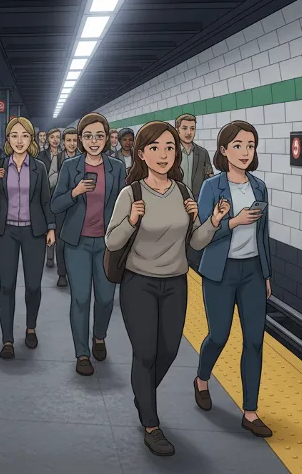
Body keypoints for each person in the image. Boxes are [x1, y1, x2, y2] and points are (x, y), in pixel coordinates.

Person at [104, 121, 229, 456]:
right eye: (155, 148)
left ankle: (141, 392)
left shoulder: (185, 193)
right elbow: (112, 240)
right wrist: (131, 220)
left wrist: (212, 221)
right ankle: (151, 423)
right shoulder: (132, 194)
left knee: (169, 350)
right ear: (142, 153)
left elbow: (197, 242)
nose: (163, 154)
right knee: (145, 353)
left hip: (175, 282)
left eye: (170, 147)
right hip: (138, 282)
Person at [193, 120, 273, 438]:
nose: (244, 152)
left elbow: (264, 235)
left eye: (250, 145)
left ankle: (250, 412)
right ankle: (201, 378)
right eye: (237, 145)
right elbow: (202, 235)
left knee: (254, 340)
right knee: (219, 336)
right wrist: (233, 222)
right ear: (223, 150)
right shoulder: (212, 187)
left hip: (252, 271)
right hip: (220, 272)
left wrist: (266, 274)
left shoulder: (259, 186)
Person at [51, 112, 126, 376]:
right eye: (88, 136)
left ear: (107, 139)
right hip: (78, 243)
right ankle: (82, 352)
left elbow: (122, 204)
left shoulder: (116, 168)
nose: (94, 141)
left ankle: (99, 336)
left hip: (107, 243)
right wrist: (74, 192)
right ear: (80, 139)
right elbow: (56, 204)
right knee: (81, 298)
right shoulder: (70, 167)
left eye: (99, 136)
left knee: (106, 298)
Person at [0, 117, 54, 360]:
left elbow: (45, 200)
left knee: (33, 285)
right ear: (7, 140)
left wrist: (51, 228)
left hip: (34, 233)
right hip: (6, 233)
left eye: (24, 135)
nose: (19, 140)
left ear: (31, 139)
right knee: (6, 286)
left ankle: (31, 328)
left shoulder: (39, 168)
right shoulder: (0, 165)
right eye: (14, 135)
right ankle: (7, 340)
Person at [175, 114, 215, 270]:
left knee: (194, 243)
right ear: (177, 129)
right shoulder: (170, 151)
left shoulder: (202, 153)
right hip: (175, 203)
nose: (189, 132)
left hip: (196, 206)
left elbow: (209, 177)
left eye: (192, 128)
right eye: (184, 128)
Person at [49, 128, 79, 288]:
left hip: (79, 206)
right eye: (69, 140)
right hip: (62, 206)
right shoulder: (58, 158)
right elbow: (50, 179)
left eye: (75, 140)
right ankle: (62, 274)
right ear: (63, 142)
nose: (72, 144)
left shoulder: (84, 158)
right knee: (61, 242)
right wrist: (64, 174)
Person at [37, 128, 62, 269]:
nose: (55, 140)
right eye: (52, 137)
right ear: (48, 138)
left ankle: (59, 256)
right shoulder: (41, 155)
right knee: (49, 225)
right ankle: (50, 256)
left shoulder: (65, 155)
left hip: (61, 195)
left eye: (58, 137)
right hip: (47, 194)